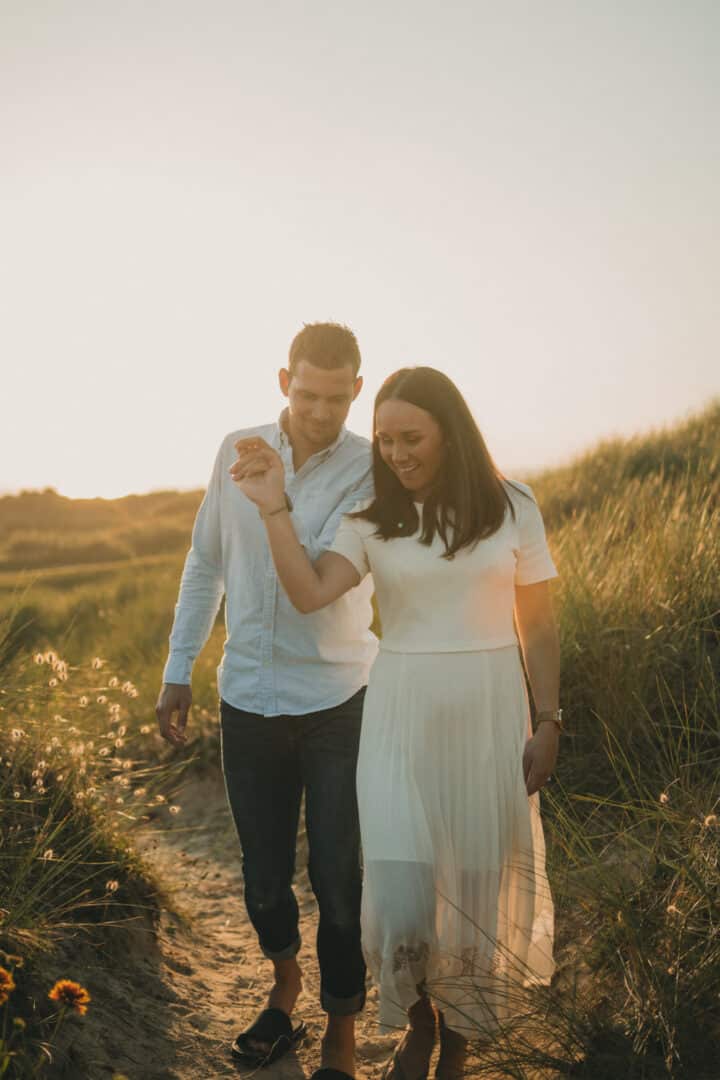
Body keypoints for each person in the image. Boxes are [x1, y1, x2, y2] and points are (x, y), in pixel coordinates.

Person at [230, 366, 561, 1080]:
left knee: (473, 885)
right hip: (398, 716)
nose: (398, 453)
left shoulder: (513, 506)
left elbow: (537, 623)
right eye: (384, 441)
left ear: (451, 432)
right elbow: (312, 591)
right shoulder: (370, 518)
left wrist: (549, 720)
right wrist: (272, 510)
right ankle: (417, 1025)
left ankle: (459, 1047)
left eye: (411, 438)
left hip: (488, 714)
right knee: (404, 889)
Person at [155, 322, 379, 1079]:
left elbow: (319, 589)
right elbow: (205, 561)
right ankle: (286, 987)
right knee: (260, 875)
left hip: (338, 698)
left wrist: (277, 504)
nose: (321, 411)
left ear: (358, 385)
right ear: (284, 382)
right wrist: (178, 664)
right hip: (247, 694)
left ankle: (341, 1029)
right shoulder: (236, 448)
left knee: (339, 876)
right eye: (307, 393)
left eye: (337, 395)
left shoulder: (370, 470)